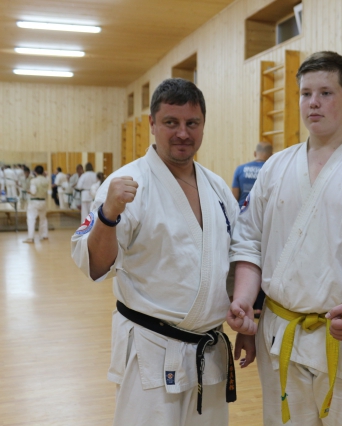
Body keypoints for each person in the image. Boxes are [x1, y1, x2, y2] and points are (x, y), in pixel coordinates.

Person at [228, 51, 342, 426]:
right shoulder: (275, 168)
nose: (313, 102)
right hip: (281, 331)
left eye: (326, 93)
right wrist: (244, 301)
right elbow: (248, 242)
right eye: (306, 93)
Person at [71, 78, 240, 426]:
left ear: (203, 125)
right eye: (171, 122)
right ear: (152, 123)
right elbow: (95, 266)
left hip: (208, 351)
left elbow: (235, 259)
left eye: (192, 123)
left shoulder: (217, 187)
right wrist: (108, 214)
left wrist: (248, 321)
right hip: (149, 348)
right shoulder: (128, 183)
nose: (182, 133)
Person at [230, 141, 273, 316]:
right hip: (266, 220)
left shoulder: (240, 169)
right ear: (270, 155)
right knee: (265, 259)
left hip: (244, 219)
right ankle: (260, 304)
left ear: (255, 153)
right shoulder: (271, 169)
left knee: (246, 258)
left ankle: (246, 301)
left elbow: (234, 197)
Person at [23, 165, 49, 244]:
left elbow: (33, 192)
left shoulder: (34, 181)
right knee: (43, 218)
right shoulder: (46, 180)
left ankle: (30, 238)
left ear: (35, 172)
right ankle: (44, 235)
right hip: (43, 201)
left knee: (31, 219)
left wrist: (28, 191)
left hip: (34, 202)